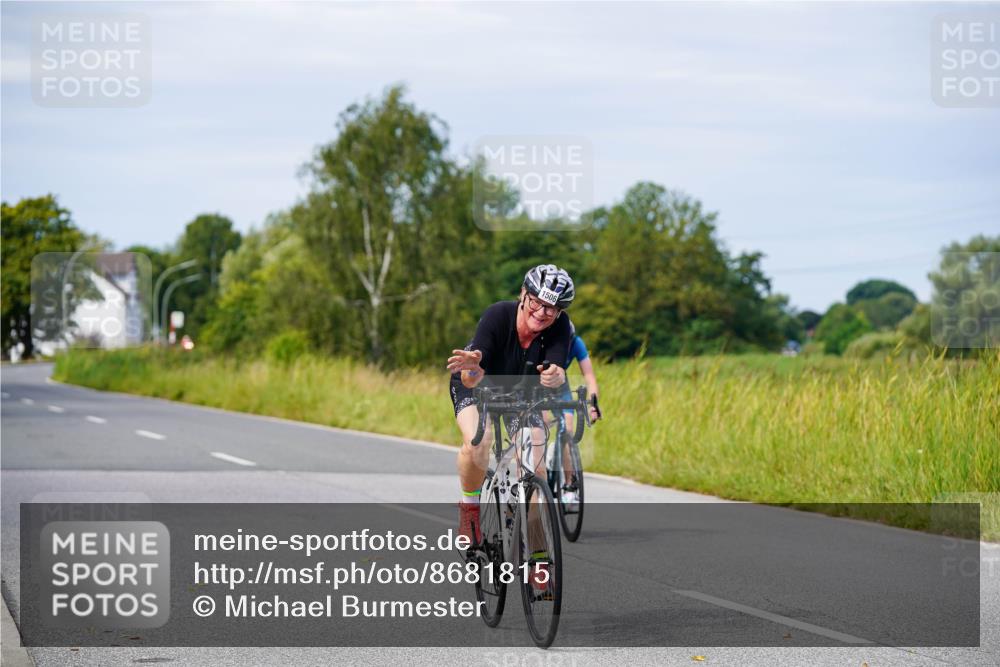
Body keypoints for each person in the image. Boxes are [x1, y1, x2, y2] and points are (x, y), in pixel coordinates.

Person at [446, 264, 576, 551]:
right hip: (477, 385)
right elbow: (471, 375)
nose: (542, 313)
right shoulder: (497, 315)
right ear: (523, 294)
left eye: (551, 309)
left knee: (536, 472)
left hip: (522, 395)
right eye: (536, 302)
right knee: (478, 441)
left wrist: (556, 375)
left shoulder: (560, 326)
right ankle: (470, 510)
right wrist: (472, 368)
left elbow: (555, 369)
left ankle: (538, 556)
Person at [554, 323, 599, 510]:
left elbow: (589, 376)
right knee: (538, 427)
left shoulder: (576, 343)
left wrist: (593, 405)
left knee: (568, 430)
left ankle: (570, 486)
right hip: (538, 385)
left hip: (561, 386)